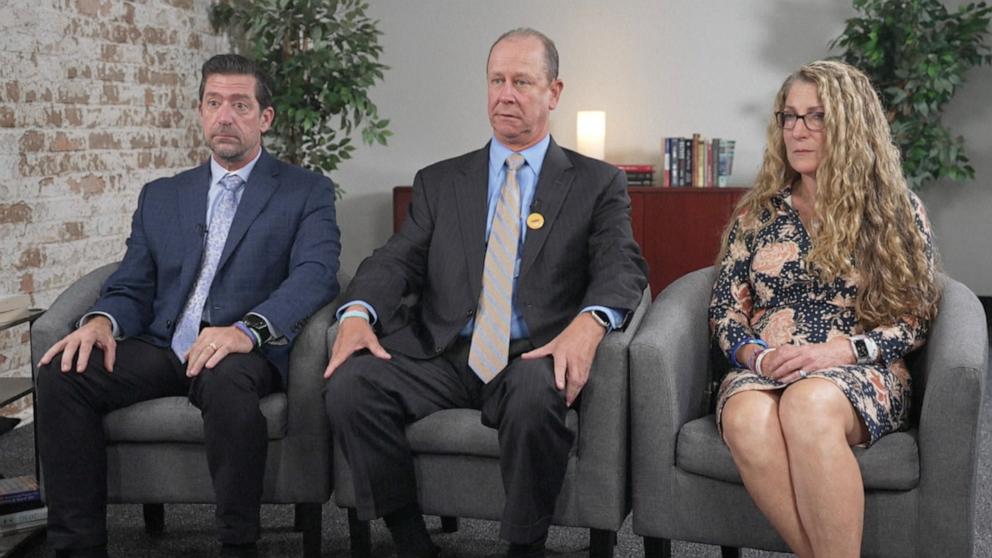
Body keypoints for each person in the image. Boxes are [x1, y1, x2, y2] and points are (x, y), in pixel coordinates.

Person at [323, 28, 647, 558]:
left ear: (554, 92)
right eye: (497, 80)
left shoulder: (596, 182)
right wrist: (357, 313)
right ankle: (408, 537)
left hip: (532, 353)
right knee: (350, 384)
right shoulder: (441, 180)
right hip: (444, 352)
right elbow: (396, 257)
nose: (506, 94)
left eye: (522, 81)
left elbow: (622, 263)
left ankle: (524, 546)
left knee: (536, 393)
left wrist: (589, 324)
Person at [35, 54, 341, 558]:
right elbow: (131, 281)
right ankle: (77, 546)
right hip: (162, 346)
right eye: (214, 103)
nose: (225, 116)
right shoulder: (162, 195)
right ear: (200, 112)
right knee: (64, 373)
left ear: (265, 118)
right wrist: (100, 321)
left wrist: (248, 330)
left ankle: (238, 544)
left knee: (227, 387)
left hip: (242, 350)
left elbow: (316, 274)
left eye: (240, 105)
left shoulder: (305, 191)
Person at [709, 60, 941, 558]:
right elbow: (725, 311)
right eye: (789, 117)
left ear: (850, 124)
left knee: (808, 405)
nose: (798, 130)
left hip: (859, 368)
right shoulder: (758, 214)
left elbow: (915, 320)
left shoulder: (895, 211)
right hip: (766, 369)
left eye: (816, 117)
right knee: (747, 418)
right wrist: (758, 358)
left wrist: (838, 352)